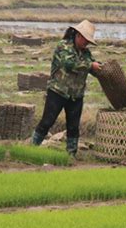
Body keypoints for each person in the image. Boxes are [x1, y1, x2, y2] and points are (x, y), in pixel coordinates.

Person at [32, 20, 102, 157]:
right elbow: (69, 63)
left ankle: (71, 155)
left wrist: (101, 68)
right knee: (47, 122)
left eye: (89, 41)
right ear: (79, 35)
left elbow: (92, 68)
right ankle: (32, 147)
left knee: (73, 127)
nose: (87, 43)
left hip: (76, 95)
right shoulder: (63, 46)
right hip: (58, 91)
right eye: (86, 40)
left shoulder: (85, 53)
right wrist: (90, 66)